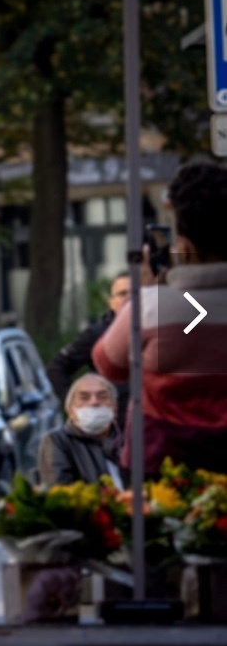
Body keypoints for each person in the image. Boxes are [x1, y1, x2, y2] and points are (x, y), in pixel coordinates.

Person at [93, 161, 227, 477]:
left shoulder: (151, 308)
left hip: (161, 476)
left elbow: (107, 363)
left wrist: (151, 290)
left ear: (186, 247)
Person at [47, 272, 131, 431]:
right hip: (109, 428)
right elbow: (56, 368)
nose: (128, 299)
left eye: (134, 293)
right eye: (122, 294)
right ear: (111, 302)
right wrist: (75, 403)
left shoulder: (155, 331)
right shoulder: (96, 334)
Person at [36, 373, 123, 488]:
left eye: (102, 397)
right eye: (84, 398)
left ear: (114, 408)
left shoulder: (130, 441)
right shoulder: (58, 441)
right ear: (71, 411)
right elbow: (60, 491)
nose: (94, 402)